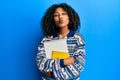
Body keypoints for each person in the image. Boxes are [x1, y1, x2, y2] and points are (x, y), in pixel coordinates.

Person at [36, 3, 85, 80]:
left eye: (63, 13)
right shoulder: (46, 39)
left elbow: (79, 65)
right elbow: (41, 63)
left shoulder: (78, 38)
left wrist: (52, 74)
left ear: (70, 17)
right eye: (56, 15)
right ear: (52, 20)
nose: (60, 17)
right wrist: (63, 62)